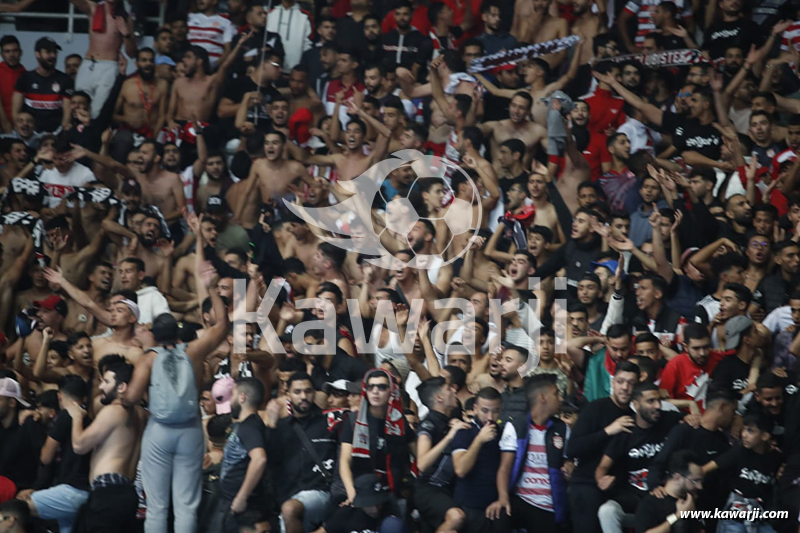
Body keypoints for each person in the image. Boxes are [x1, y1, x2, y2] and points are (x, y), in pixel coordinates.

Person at [123, 268, 230, 533]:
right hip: (190, 431)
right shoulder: (193, 350)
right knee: (185, 504)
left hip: (159, 431)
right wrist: (213, 288)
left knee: (157, 505)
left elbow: (132, 397)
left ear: (156, 337)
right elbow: (222, 326)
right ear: (178, 335)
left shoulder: (148, 358)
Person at [64, 357, 145, 532]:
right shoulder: (143, 415)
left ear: (122, 387)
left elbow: (79, 445)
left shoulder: (114, 410)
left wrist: (77, 417)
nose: (101, 387)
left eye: (106, 382)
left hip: (108, 492)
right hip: (129, 494)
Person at [488, 374, 568, 533]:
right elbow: (504, 468)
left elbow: (568, 463)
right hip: (521, 499)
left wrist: (569, 468)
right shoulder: (516, 426)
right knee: (499, 515)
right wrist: (503, 497)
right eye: (556, 393)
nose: (561, 398)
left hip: (548, 505)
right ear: (542, 397)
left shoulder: (563, 429)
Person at [268, 372, 338, 533]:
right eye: (297, 392)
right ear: (288, 395)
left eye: (308, 391)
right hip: (288, 495)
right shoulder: (280, 427)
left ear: (314, 393)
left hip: (320, 492)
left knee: (290, 509)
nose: (303, 396)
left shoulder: (330, 422)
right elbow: (270, 462)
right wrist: (271, 424)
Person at [209, 377, 268, 533]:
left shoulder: (250, 426)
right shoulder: (244, 425)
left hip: (243, 506)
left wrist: (241, 497)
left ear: (242, 397)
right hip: (231, 502)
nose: (230, 399)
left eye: (233, 394)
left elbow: (259, 459)